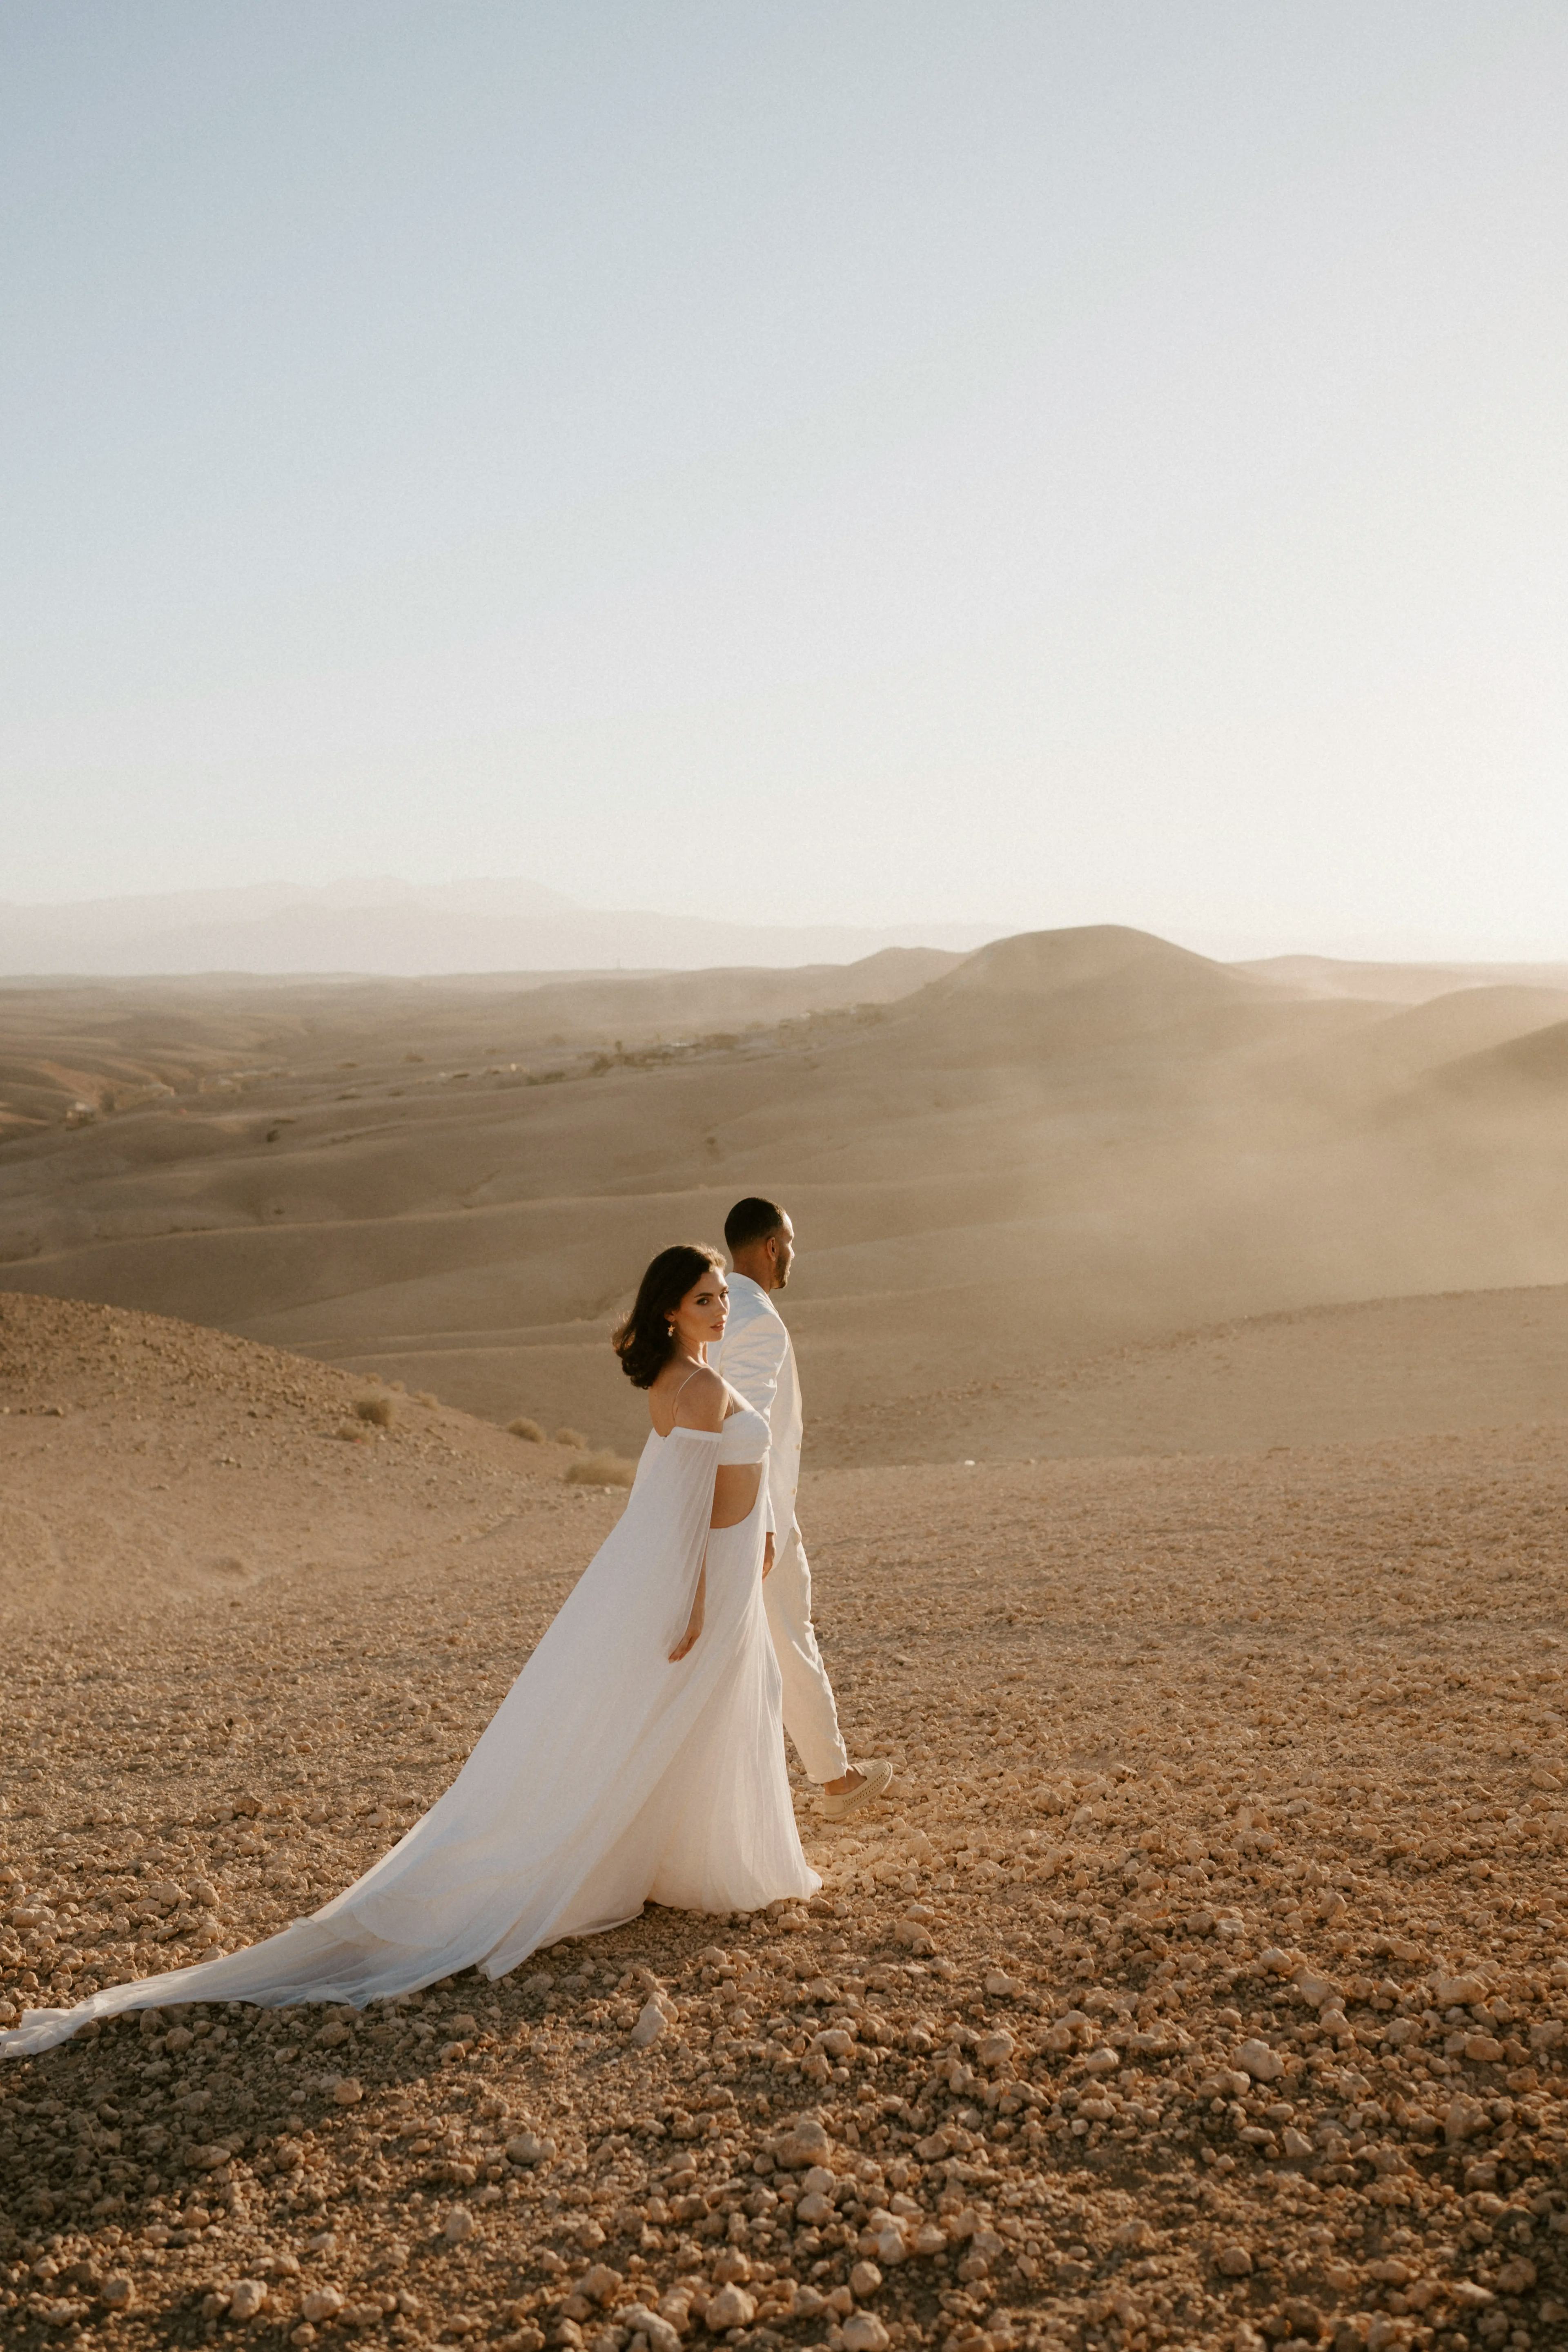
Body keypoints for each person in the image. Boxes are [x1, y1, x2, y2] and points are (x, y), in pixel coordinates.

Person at [1, 1244, 817, 2059]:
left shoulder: (679, 1380)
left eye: (721, 1297)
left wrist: (761, 1541)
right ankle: (703, 1865)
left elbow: (690, 1493)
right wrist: (713, 1593)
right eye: (704, 1299)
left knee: (696, 1712)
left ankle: (679, 1857)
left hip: (717, 1563)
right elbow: (699, 1507)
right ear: (670, 1309)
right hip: (711, 1569)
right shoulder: (701, 1385)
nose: (719, 1310)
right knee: (708, 1704)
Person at [715, 1197, 893, 1822]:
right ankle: (836, 1779)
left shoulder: (715, 1312)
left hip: (718, 1508)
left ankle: (826, 1776)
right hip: (757, 1514)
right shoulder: (758, 1319)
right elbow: (751, 1423)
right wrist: (762, 1522)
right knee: (790, 1634)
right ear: (770, 1246)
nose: (792, 1254)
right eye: (789, 1242)